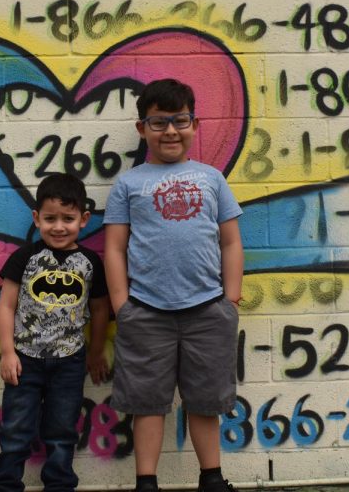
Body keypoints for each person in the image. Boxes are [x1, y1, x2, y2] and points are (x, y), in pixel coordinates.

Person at [103, 78, 244, 492]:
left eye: (179, 121)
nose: (170, 131)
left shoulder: (212, 178)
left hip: (207, 308)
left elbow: (231, 240)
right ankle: (146, 481)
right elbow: (114, 248)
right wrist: (121, 305)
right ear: (141, 128)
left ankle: (212, 478)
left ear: (194, 124)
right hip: (145, 310)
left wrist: (230, 299)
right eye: (159, 122)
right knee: (147, 403)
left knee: (205, 400)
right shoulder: (129, 185)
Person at [0, 173, 110, 492]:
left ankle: (59, 486)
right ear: (37, 218)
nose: (59, 226)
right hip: (25, 361)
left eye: (68, 219)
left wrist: (96, 351)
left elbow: (101, 310)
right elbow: (5, 306)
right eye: (50, 218)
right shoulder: (25, 258)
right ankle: (7, 486)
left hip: (69, 362)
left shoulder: (88, 263)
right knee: (15, 431)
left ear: (83, 219)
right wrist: (7, 352)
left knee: (61, 432)